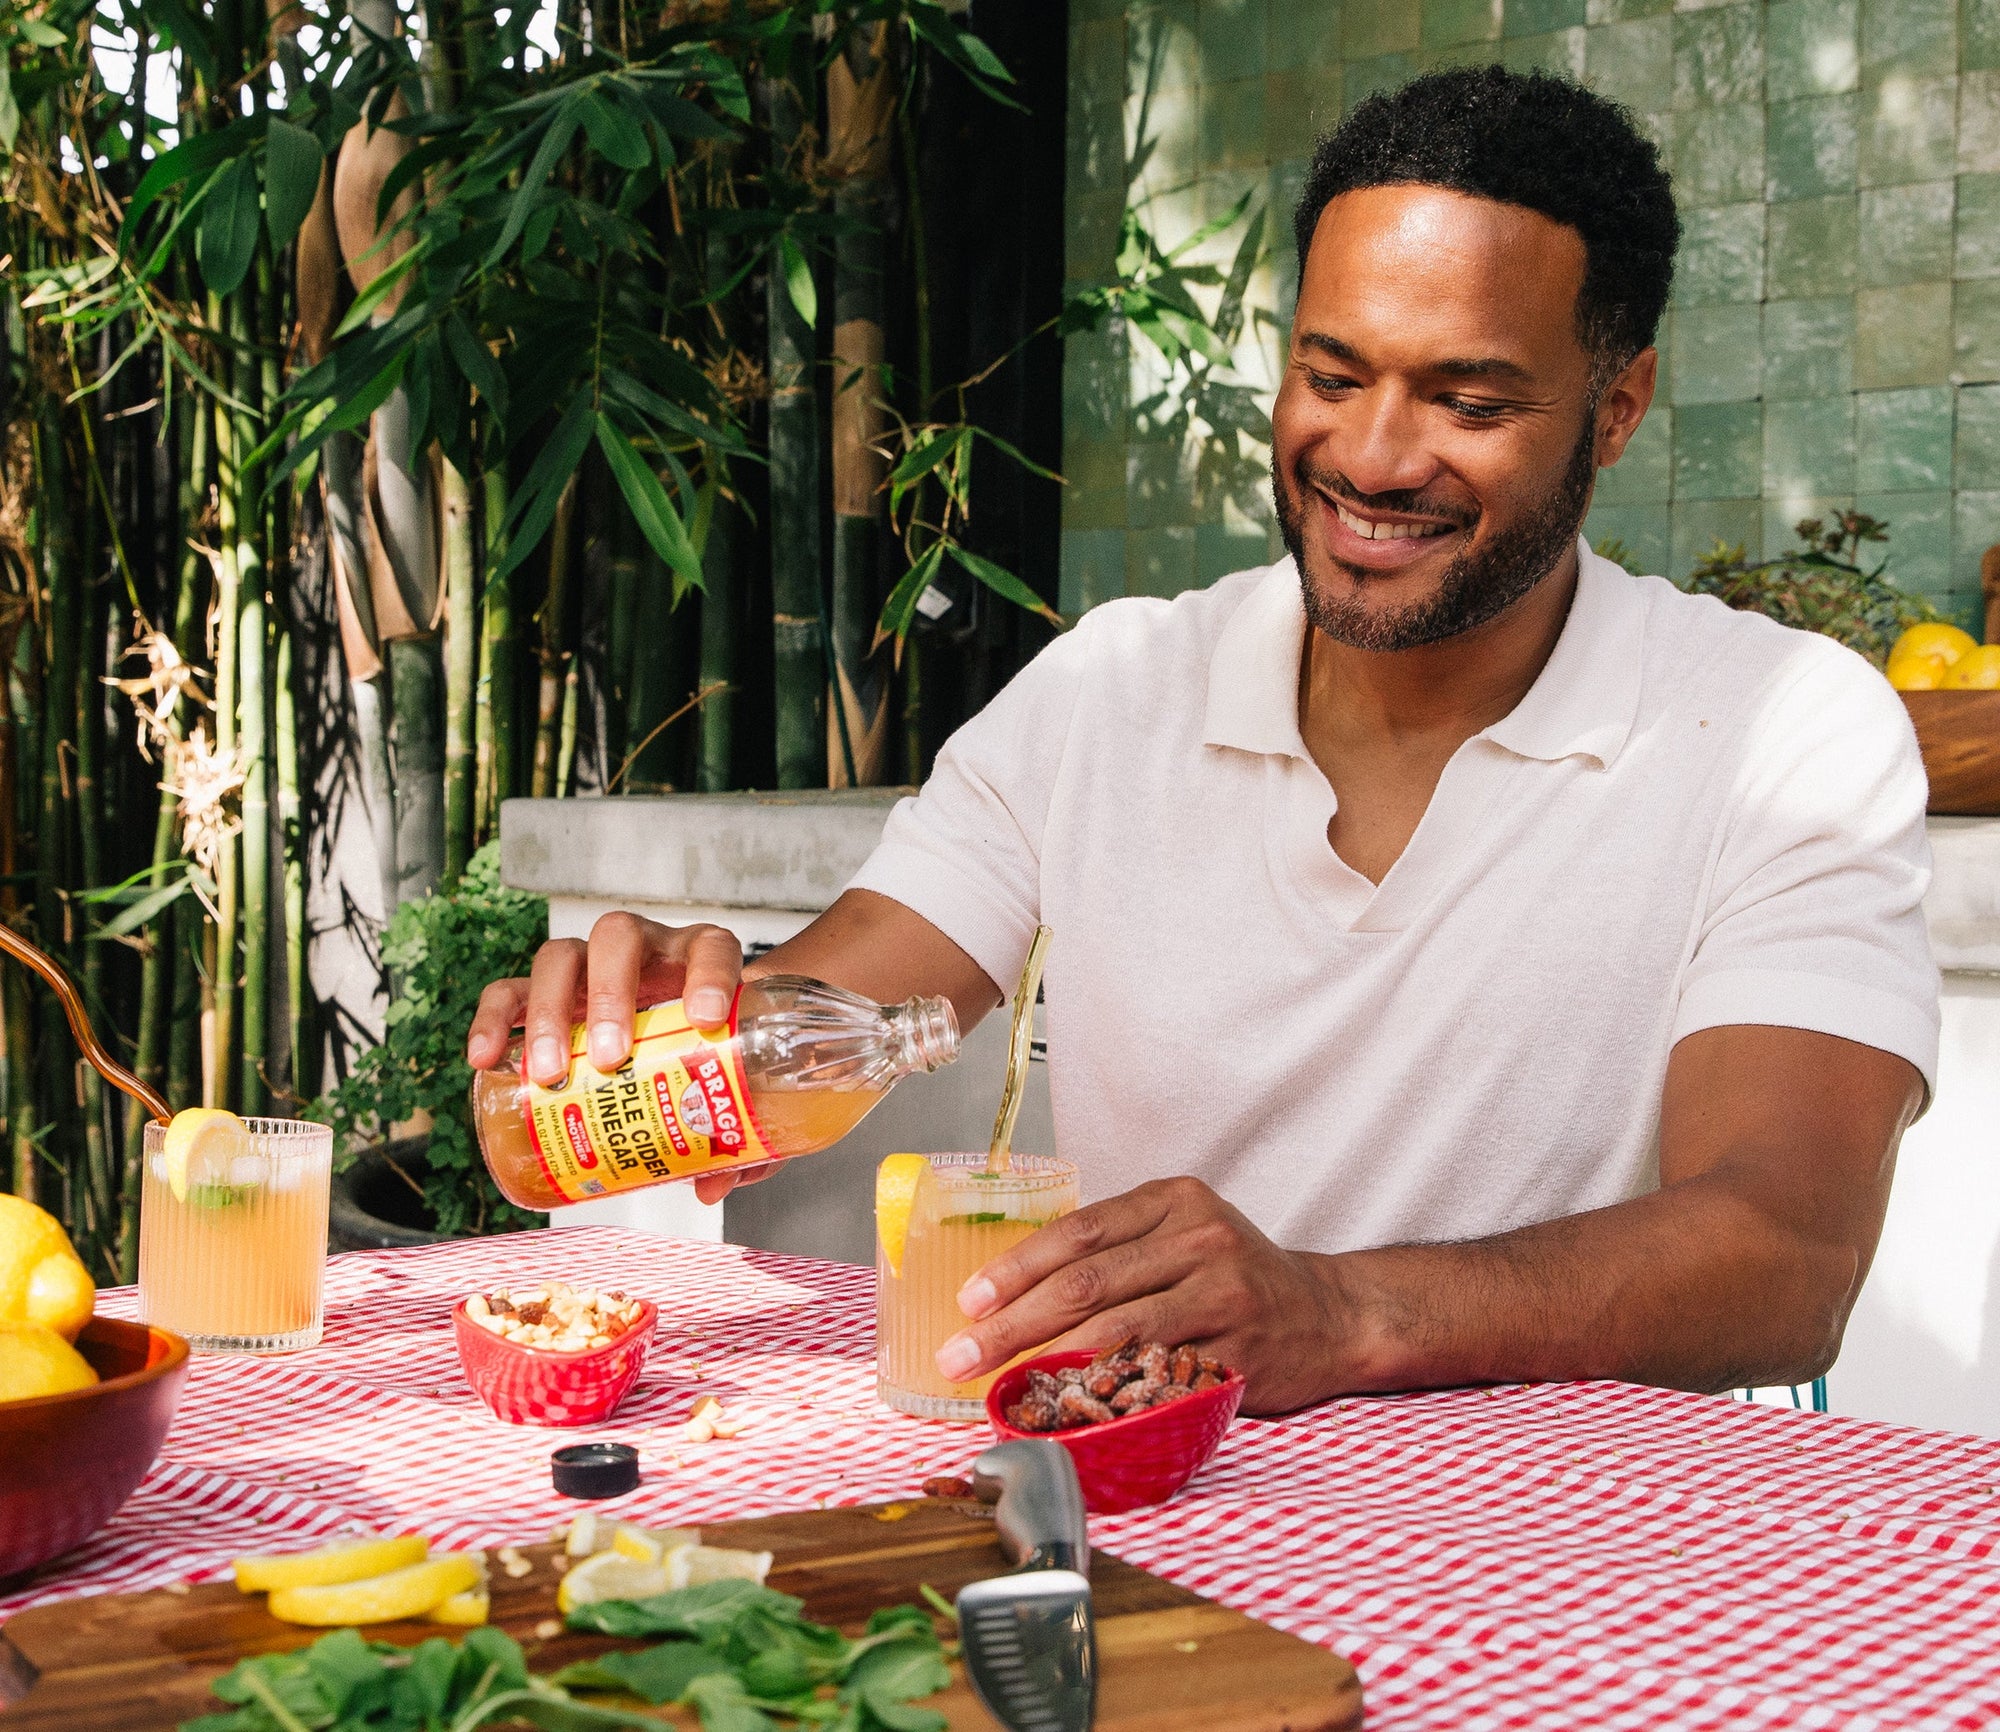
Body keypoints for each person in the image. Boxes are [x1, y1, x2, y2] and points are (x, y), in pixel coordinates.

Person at [469, 68, 1936, 1415]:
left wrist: (1341, 1312)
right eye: (1334, 373)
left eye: (1467, 399)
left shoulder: (1779, 729)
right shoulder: (1110, 691)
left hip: (1587, 1549)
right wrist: (653, 1028)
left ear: (1616, 409)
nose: (1371, 458)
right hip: (1153, 1500)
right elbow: (828, 1011)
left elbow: (1784, 1256)